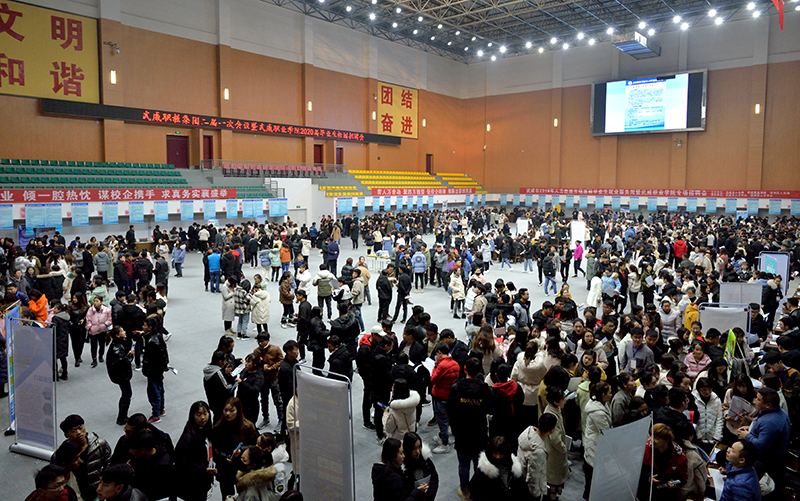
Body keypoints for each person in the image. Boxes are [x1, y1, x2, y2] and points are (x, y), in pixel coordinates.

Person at [738, 387, 791, 493]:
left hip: (768, 463)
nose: (755, 400)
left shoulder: (770, 422)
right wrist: (751, 428)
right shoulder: (777, 412)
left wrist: (747, 436)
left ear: (768, 405)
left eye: (758, 399)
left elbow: (760, 445)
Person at [212, 397, 259, 499]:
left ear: (238, 410)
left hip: (243, 468)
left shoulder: (248, 427)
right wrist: (224, 457)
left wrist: (242, 451)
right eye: (225, 410)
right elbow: (214, 449)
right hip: (225, 469)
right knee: (227, 496)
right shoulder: (217, 428)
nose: (228, 413)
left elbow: (256, 447)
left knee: (245, 496)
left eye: (231, 410)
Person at [57, 415, 112, 497]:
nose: (78, 432)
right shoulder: (63, 452)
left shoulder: (100, 445)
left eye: (80, 427)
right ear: (66, 435)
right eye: (73, 430)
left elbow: (109, 464)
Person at [174, 401, 217, 501]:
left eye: (205, 413)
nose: (203, 417)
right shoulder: (188, 438)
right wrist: (203, 469)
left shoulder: (206, 429)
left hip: (203, 479)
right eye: (199, 414)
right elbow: (182, 464)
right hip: (193, 484)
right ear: (192, 416)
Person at [637, 423, 688, 501]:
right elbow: (636, 471)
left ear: (666, 440)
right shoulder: (645, 450)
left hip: (666, 495)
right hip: (646, 491)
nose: (652, 440)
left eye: (656, 438)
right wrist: (649, 478)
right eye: (652, 436)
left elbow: (683, 479)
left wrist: (673, 484)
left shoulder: (679, 457)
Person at [467, 435, 528, 500]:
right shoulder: (483, 470)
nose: (498, 457)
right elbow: (473, 490)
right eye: (495, 453)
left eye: (501, 453)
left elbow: (523, 490)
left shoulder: (514, 468)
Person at [517, 413, 557, 501]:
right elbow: (533, 477)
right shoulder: (538, 451)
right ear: (552, 430)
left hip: (520, 479)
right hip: (530, 490)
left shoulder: (527, 433)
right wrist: (537, 494)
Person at [582, 381, 612, 500]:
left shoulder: (601, 404)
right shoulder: (598, 413)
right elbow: (606, 431)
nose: (611, 394)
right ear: (603, 395)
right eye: (609, 392)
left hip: (596, 444)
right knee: (592, 478)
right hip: (595, 446)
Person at [127, 429, 174, 501]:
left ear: (142, 450)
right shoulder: (142, 456)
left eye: (132, 449)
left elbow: (152, 490)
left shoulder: (163, 466)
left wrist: (131, 475)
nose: (130, 451)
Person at [430, 343, 460, 454]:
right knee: (450, 417)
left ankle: (444, 443)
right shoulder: (455, 364)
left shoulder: (442, 366)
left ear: (439, 352)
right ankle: (447, 436)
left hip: (440, 395)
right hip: (450, 395)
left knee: (442, 420)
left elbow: (433, 380)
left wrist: (434, 368)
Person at [542, 387, 569, 500]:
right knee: (553, 480)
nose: (565, 400)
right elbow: (555, 439)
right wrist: (563, 448)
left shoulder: (552, 409)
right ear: (556, 402)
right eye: (563, 398)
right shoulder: (552, 416)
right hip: (555, 452)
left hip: (554, 451)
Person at [140, 317, 169, 424]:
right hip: (158, 369)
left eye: (145, 325)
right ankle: (161, 409)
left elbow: (149, 358)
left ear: (150, 327)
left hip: (152, 370)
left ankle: (156, 414)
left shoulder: (151, 341)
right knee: (160, 389)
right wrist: (165, 365)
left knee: (153, 392)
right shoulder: (158, 336)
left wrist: (146, 369)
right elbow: (164, 352)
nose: (143, 327)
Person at [253, 332, 284, 430]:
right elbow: (254, 363)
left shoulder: (275, 349)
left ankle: (281, 419)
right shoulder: (256, 351)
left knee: (278, 399)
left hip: (274, 378)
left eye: (262, 341)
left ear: (267, 340)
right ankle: (265, 418)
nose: (260, 343)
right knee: (264, 399)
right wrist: (261, 367)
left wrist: (271, 367)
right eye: (258, 341)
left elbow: (281, 360)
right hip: (263, 379)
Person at [106, 326, 134, 426]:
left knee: (126, 394)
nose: (125, 331)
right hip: (121, 375)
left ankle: (123, 416)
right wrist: (130, 354)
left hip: (120, 374)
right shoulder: (117, 348)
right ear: (118, 335)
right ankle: (122, 417)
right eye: (122, 331)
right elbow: (123, 362)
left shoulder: (118, 344)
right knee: (127, 395)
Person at [402, 432, 439, 501]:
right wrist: (418, 492)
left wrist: (429, 494)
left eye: (419, 447)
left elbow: (434, 478)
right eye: (414, 448)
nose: (417, 451)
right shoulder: (403, 468)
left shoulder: (426, 460)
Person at [85, 296, 112, 368]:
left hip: (102, 330)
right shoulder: (90, 310)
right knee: (93, 346)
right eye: (94, 301)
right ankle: (94, 359)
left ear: (101, 302)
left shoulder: (106, 310)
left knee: (102, 344)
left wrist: (105, 324)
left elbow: (109, 319)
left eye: (97, 301)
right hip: (93, 330)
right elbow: (88, 319)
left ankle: (101, 356)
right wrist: (89, 327)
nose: (95, 303)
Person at [238, 353, 265, 424]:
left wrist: (242, 383)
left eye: (248, 362)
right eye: (246, 361)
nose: (246, 364)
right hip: (241, 402)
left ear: (255, 364)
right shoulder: (245, 371)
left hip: (251, 406)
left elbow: (255, 390)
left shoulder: (259, 376)